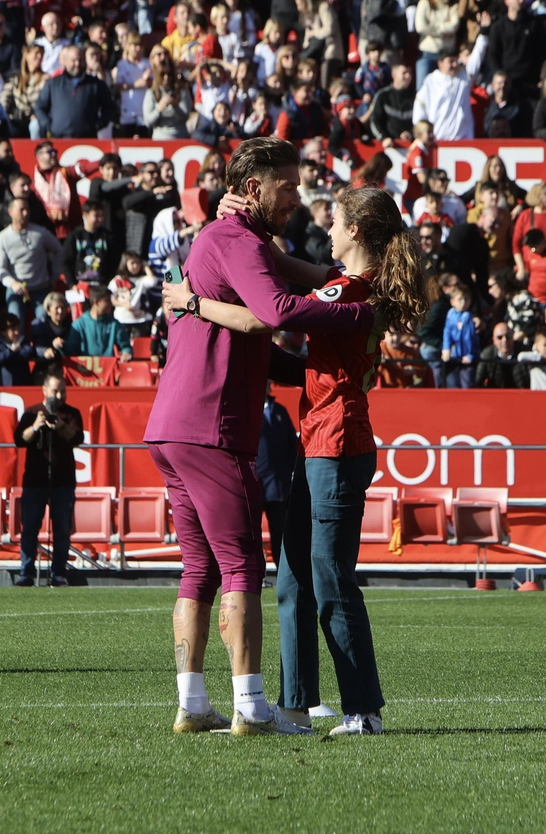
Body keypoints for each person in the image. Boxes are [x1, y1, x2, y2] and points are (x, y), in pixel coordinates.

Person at [164, 185, 427, 738]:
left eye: (334, 221)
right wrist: (237, 225)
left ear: (355, 231)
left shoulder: (352, 290)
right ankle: (295, 705)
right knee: (292, 579)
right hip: (318, 442)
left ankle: (363, 710)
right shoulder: (351, 286)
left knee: (330, 578)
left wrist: (192, 303)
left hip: (339, 443)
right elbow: (296, 331)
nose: (325, 230)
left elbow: (272, 313)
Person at [141, 138, 375, 736]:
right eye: (287, 185)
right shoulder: (239, 241)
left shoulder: (227, 239)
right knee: (242, 564)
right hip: (211, 427)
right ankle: (250, 706)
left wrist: (323, 369)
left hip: (171, 427)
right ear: (253, 188)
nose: (296, 196)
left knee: (198, 568)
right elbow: (272, 312)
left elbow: (259, 346)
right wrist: (357, 311)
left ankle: (193, 704)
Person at [14, 373, 82, 588]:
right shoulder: (31, 412)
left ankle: (58, 574)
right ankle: (26, 573)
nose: (59, 396)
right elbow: (19, 439)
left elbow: (78, 438)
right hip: (35, 480)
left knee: (62, 530)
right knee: (30, 528)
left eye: (62, 391)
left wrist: (61, 426)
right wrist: (35, 426)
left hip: (63, 480)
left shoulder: (72, 413)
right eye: (55, 391)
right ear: (44, 390)